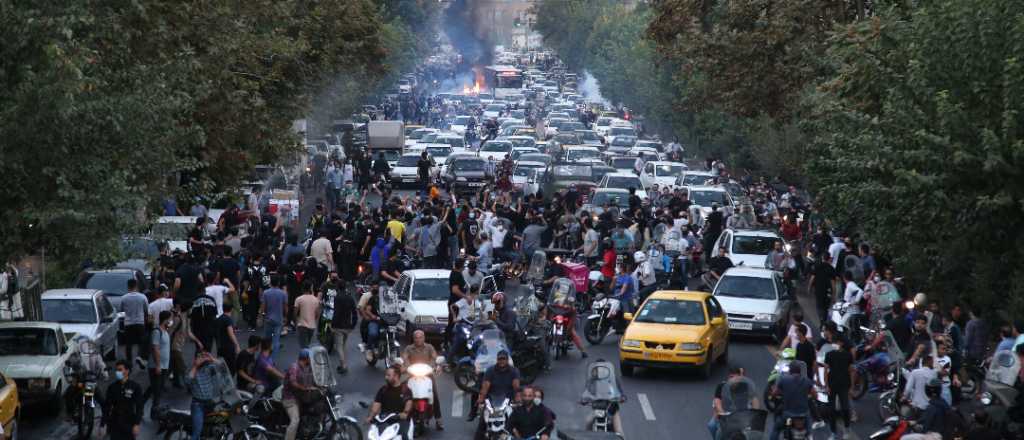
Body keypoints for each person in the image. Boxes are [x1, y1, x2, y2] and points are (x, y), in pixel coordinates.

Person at [401, 330, 443, 430]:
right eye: (416, 337)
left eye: (420, 337)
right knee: (404, 393)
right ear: (413, 338)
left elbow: (435, 357)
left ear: (424, 338)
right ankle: (403, 415)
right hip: (413, 375)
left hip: (427, 375)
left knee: (434, 394)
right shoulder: (408, 348)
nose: (418, 339)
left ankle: (438, 419)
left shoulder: (429, 347)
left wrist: (438, 365)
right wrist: (403, 365)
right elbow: (404, 358)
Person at [470, 350, 520, 426]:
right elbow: (485, 387)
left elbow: (516, 387)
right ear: (497, 360)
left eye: (504, 359)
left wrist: (518, 400)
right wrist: (481, 399)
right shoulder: (490, 370)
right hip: (492, 397)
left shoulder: (514, 371)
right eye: (500, 359)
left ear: (507, 360)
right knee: (483, 421)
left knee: (514, 420)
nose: (502, 361)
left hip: (507, 397)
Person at [769, 362, 815, 440]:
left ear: (790, 371)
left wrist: (772, 396)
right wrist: (808, 396)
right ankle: (810, 435)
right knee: (809, 421)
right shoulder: (807, 381)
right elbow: (815, 395)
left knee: (776, 428)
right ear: (800, 371)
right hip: (803, 413)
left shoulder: (784, 380)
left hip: (788, 414)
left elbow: (774, 393)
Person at [100, 360, 143, 439]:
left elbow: (139, 407)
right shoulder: (112, 387)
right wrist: (103, 424)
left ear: (127, 371)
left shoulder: (135, 387)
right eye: (116, 370)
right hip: (114, 423)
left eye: (120, 370)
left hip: (129, 422)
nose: (117, 372)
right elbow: (107, 407)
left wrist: (137, 424)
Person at [367, 367, 413, 440]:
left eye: (388, 375)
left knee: (404, 436)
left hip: (400, 419)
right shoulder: (383, 390)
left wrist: (405, 413)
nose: (386, 377)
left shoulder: (405, 390)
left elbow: (409, 403)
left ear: (396, 376)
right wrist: (370, 416)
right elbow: (376, 404)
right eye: (386, 375)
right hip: (384, 419)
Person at [824, 337, 855, 438]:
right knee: (831, 410)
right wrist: (826, 385)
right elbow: (826, 370)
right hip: (832, 384)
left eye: (836, 342)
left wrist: (852, 387)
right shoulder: (829, 355)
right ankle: (833, 432)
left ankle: (847, 428)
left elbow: (851, 371)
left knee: (845, 408)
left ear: (841, 343)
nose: (834, 344)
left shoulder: (848, 355)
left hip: (844, 385)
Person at [283, 349, 317, 440]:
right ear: (306, 358)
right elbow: (293, 382)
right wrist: (306, 388)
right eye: (310, 358)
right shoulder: (294, 367)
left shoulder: (305, 367)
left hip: (300, 396)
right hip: (290, 398)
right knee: (295, 421)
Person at [327, 272, 357, 374]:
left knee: (339, 346)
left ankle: (343, 365)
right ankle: (342, 364)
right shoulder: (350, 297)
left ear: (337, 287)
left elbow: (336, 313)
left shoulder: (337, 298)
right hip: (347, 326)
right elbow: (354, 312)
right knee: (343, 346)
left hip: (339, 326)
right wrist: (353, 325)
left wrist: (332, 324)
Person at [186, 351, 220, 440]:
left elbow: (222, 367)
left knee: (213, 428)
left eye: (203, 357)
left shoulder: (209, 368)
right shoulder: (193, 371)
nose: (202, 359)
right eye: (199, 357)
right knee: (197, 432)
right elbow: (187, 381)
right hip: (198, 405)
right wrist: (195, 366)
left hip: (210, 403)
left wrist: (211, 358)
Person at [145, 311, 173, 419]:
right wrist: (158, 365)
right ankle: (154, 412)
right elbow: (155, 348)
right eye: (170, 319)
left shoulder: (165, 331)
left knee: (155, 388)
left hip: (164, 366)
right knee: (157, 391)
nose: (171, 321)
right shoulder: (157, 331)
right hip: (156, 366)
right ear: (165, 319)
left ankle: (140, 403)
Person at [120, 278, 149, 366]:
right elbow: (146, 310)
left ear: (128, 286)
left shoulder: (124, 298)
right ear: (136, 286)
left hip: (128, 323)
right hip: (140, 322)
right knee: (142, 342)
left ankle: (129, 363)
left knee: (128, 344)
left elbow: (122, 310)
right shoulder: (142, 297)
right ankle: (140, 357)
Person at [260, 275, 288, 354]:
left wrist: (261, 315)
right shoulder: (283, 293)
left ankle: (265, 356)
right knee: (276, 340)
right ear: (278, 283)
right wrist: (286, 317)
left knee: (267, 339)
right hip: (279, 319)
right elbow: (285, 307)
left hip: (268, 318)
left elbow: (263, 306)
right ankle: (272, 359)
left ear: (270, 283)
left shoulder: (266, 292)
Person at [294, 281, 320, 349]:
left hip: (302, 325)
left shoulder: (299, 299)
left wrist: (296, 322)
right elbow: (317, 314)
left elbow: (295, 313)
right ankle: (307, 358)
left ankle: (305, 358)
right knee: (307, 344)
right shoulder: (315, 300)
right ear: (311, 288)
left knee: (303, 346)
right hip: (312, 326)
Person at [215, 302, 240, 373]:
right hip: (228, 347)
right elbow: (231, 334)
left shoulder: (219, 319)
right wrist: (237, 345)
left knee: (222, 367)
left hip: (220, 346)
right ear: (231, 309)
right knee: (232, 368)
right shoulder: (228, 320)